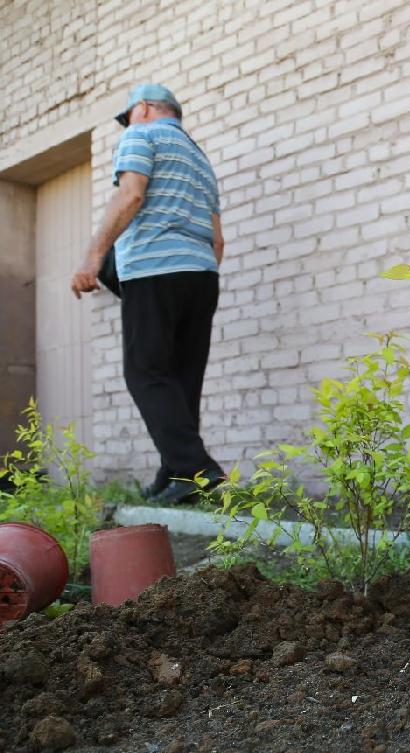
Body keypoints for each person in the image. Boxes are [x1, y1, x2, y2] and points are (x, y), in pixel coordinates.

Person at [71, 83, 225, 504]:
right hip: (201, 274)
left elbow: (131, 194)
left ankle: (198, 470)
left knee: (146, 372)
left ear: (142, 109)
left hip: (155, 268)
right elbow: (217, 239)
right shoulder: (200, 159)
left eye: (128, 115)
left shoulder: (140, 136)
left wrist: (93, 258)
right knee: (180, 378)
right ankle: (175, 471)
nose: (127, 123)